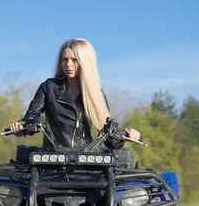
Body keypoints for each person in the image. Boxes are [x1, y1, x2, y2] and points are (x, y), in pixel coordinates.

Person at [9, 38, 141, 150]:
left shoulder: (96, 94)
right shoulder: (49, 87)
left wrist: (126, 137)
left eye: (75, 60)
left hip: (86, 162)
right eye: (64, 60)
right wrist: (21, 126)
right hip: (50, 160)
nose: (68, 64)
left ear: (86, 62)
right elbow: (31, 117)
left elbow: (108, 137)